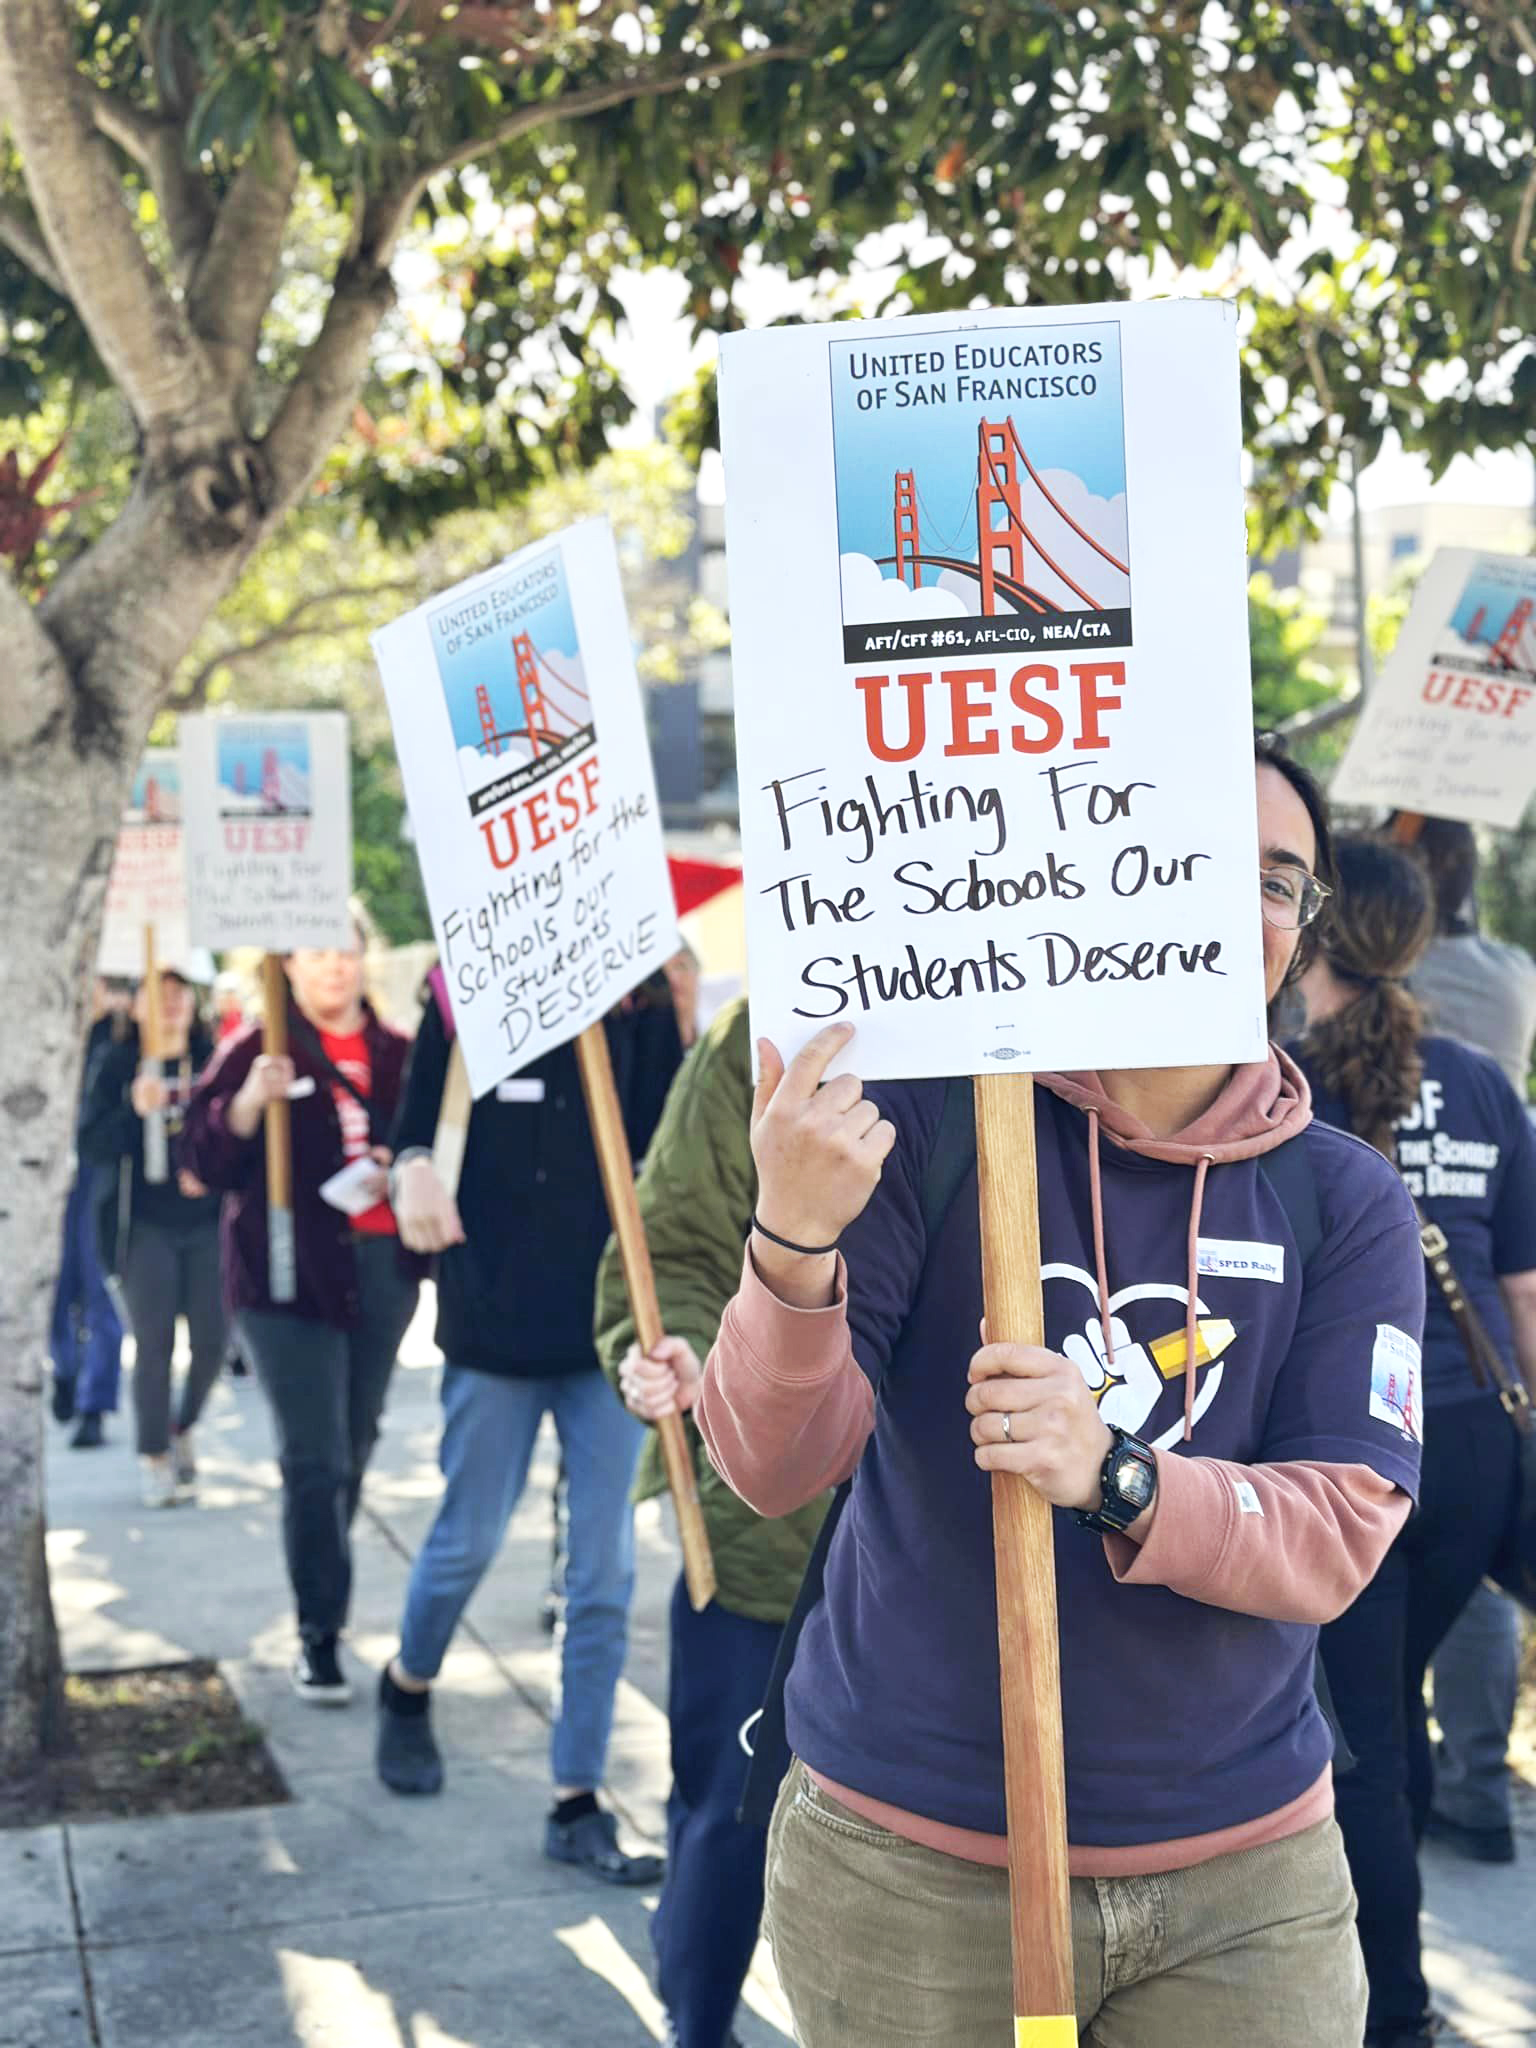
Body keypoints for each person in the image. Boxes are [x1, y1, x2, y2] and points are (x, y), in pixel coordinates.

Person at [679, 739, 1426, 2048]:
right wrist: (791, 1238)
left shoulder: (1342, 1197)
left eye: (1276, 880)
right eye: (1199, 857)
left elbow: (1339, 1533)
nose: (1234, 903)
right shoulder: (927, 1128)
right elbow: (771, 1465)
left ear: (1302, 938)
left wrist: (1114, 1472)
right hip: (910, 1870)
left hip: (1245, 1882)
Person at [1291, 836, 1536, 2047]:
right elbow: (1526, 1291)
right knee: (1391, 1716)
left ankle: (1392, 2013)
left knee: (1366, 1752)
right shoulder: (1487, 1083)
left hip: (1356, 1449)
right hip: (1479, 1453)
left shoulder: (1279, 1081)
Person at [374, 972, 683, 1885]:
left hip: (606, 1334)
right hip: (491, 1328)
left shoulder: (641, 996)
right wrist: (412, 1167)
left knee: (602, 1574)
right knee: (466, 1539)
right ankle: (408, 1686)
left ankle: (576, 1797)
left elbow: (670, 1150)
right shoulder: (460, 986)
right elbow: (411, 1136)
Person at [597, 996, 829, 2048]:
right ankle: (696, 2012)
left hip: (987, 1540)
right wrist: (677, 1350)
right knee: (733, 1814)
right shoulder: (765, 1029)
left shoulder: (1085, 1007)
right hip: (767, 1527)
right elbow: (676, 1243)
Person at [183, 933, 419, 1704]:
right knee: (314, 1459)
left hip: (382, 1274)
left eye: (346, 949)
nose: (334, 965)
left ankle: (323, 1577)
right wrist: (250, 1100)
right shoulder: (258, 1047)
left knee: (353, 1445)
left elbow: (440, 1142)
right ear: (285, 963)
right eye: (316, 951)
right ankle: (320, 1631)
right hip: (286, 1280)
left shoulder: (398, 1050)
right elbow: (200, 1165)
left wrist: (403, 1164)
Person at [1392, 812, 1536, 1867]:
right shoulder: (1509, 982)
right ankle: (1480, 1786)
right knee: (1477, 1589)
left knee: (1368, 1662)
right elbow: (1522, 1281)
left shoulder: (1325, 1046)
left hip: (1377, 1396)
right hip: (1479, 1374)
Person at [77, 966, 226, 1507]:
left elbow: (235, 1131)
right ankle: (155, 1456)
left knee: (213, 1339)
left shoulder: (213, 1057)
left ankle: (183, 1425)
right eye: (156, 996)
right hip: (143, 1226)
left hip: (207, 1223)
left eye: (178, 995)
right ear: (135, 1004)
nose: (169, 1006)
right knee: (155, 1345)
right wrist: (130, 1111)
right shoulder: (117, 1060)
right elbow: (91, 1142)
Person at [51, 979, 131, 1448]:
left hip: (95, 1177)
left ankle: (94, 1403)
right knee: (54, 1290)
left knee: (98, 1289)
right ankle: (66, 1369)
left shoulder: (114, 1039)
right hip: (39, 1176)